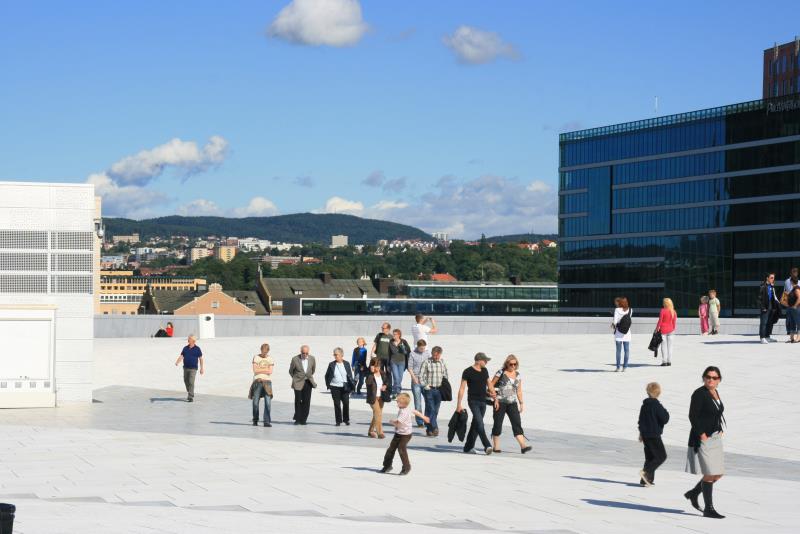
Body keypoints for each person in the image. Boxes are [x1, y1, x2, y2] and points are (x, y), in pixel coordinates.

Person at [684, 366, 726, 519]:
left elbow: (716, 412)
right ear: (704, 378)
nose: (711, 380)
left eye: (714, 378)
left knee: (718, 473)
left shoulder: (715, 392)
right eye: (708, 377)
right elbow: (692, 416)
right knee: (709, 473)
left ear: (719, 380)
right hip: (703, 438)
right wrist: (702, 434)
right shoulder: (699, 394)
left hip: (715, 437)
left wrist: (720, 428)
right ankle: (709, 509)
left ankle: (693, 493)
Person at [489, 355, 531, 454]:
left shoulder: (518, 375)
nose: (513, 366)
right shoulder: (501, 372)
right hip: (500, 402)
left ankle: (523, 446)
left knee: (517, 423)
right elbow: (491, 385)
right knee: (497, 424)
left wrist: (521, 403)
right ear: (506, 363)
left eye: (515, 364)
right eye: (511, 364)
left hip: (512, 403)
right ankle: (496, 446)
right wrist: (494, 399)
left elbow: (519, 390)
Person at [380, 392, 429, 475]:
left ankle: (406, 467)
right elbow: (415, 412)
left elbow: (398, 423)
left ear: (402, 403)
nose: (396, 402)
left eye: (398, 401)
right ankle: (387, 465)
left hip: (405, 435)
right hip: (398, 433)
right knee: (391, 449)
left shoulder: (403, 413)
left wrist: (392, 422)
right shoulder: (406, 409)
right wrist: (424, 417)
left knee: (401, 449)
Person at [457, 352, 495, 455]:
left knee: (476, 424)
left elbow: (489, 384)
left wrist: (494, 395)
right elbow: (462, 388)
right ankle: (487, 445)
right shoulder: (467, 371)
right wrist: (459, 404)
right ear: (479, 360)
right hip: (473, 401)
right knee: (480, 423)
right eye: (485, 360)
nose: (486, 362)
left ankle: (468, 447)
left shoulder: (484, 370)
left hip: (483, 401)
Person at [637, 382, 669, 486]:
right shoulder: (657, 405)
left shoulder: (644, 406)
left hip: (646, 435)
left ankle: (646, 480)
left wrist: (641, 433)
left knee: (650, 457)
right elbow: (665, 419)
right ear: (658, 393)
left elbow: (640, 421)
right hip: (654, 435)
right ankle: (646, 472)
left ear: (647, 392)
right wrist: (665, 411)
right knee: (661, 456)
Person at [418, 346, 449, 437]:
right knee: (431, 408)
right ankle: (434, 427)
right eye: (434, 355)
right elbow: (420, 376)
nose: (436, 357)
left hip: (439, 390)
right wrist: (425, 385)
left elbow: (445, 374)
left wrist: (445, 385)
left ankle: (429, 429)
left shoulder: (442, 362)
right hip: (429, 390)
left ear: (440, 354)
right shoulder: (426, 362)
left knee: (434, 410)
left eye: (437, 356)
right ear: (432, 354)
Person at [324, 347, 355, 426]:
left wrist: (351, 386)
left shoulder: (347, 363)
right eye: (334, 355)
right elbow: (327, 375)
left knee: (346, 403)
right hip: (334, 387)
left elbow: (350, 375)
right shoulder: (331, 364)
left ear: (341, 355)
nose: (335, 356)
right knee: (337, 404)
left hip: (345, 386)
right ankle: (338, 421)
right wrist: (329, 385)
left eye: (336, 354)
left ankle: (346, 419)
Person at [288, 345, 316, 425]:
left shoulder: (312, 359)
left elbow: (313, 370)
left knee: (306, 401)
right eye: (303, 353)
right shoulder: (295, 359)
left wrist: (308, 376)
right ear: (300, 352)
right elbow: (291, 371)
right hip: (298, 382)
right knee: (298, 400)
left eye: (306, 353)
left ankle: (304, 419)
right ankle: (297, 419)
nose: (305, 355)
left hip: (308, 382)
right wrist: (296, 378)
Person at [407, 339, 430, 428]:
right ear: (418, 346)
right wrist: (414, 378)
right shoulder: (412, 354)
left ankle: (427, 419)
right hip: (416, 380)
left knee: (428, 401)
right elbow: (410, 368)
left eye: (424, 348)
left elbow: (429, 366)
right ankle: (420, 422)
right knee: (418, 403)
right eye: (421, 348)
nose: (423, 350)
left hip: (425, 380)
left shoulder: (427, 353)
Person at [365, 357, 391, 438]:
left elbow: (387, 381)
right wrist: (371, 372)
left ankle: (370, 431)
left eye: (379, 366)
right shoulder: (369, 375)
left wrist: (385, 385)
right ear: (372, 366)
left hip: (381, 397)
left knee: (376, 415)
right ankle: (380, 433)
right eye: (376, 366)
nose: (378, 368)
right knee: (378, 413)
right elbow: (368, 383)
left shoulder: (382, 373)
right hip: (373, 398)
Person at [249, 343, 274, 427]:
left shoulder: (270, 359)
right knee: (255, 402)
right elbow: (255, 370)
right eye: (263, 352)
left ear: (268, 351)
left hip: (267, 382)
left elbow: (270, 372)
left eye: (265, 353)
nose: (264, 354)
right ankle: (255, 419)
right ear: (261, 350)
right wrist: (265, 369)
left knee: (268, 402)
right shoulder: (256, 357)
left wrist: (260, 369)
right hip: (257, 381)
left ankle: (266, 421)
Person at [174, 335, 204, 402]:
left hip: (193, 368)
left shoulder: (197, 349)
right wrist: (177, 362)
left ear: (193, 341)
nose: (188, 340)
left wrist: (202, 368)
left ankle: (190, 396)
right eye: (188, 339)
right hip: (185, 368)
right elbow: (182, 356)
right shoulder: (185, 348)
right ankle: (190, 391)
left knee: (191, 382)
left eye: (189, 339)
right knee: (185, 380)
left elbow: (201, 359)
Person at [388, 328, 411, 398]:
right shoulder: (390, 342)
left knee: (400, 378)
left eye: (395, 334)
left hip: (402, 362)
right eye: (393, 334)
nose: (393, 336)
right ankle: (397, 392)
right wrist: (388, 364)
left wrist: (404, 349)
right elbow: (388, 353)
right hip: (393, 361)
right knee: (396, 377)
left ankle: (396, 390)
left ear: (399, 335)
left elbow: (409, 351)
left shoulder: (403, 341)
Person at [758, 273, 780, 344]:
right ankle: (762, 337)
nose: (773, 279)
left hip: (771, 307)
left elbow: (774, 297)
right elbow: (759, 298)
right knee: (763, 323)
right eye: (771, 278)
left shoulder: (771, 286)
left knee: (770, 322)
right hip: (765, 307)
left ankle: (767, 336)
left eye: (773, 278)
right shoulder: (763, 286)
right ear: (767, 278)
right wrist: (762, 307)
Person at [612, 297, 632, 372]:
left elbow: (615, 322)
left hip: (618, 333)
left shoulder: (617, 310)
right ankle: (625, 367)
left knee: (618, 351)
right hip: (627, 333)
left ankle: (618, 367)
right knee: (627, 350)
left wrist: (613, 324)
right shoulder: (630, 310)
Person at [656, 298, 677, 366]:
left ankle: (664, 361)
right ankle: (669, 361)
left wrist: (656, 329)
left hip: (663, 330)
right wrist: (673, 329)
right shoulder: (673, 311)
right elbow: (674, 323)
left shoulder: (663, 311)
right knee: (670, 347)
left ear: (665, 304)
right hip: (671, 331)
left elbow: (660, 321)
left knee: (663, 346)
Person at [784, 268, 799, 343]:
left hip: (796, 306)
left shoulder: (797, 285)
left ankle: (798, 337)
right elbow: (785, 292)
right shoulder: (787, 281)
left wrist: (795, 306)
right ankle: (791, 337)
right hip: (790, 305)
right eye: (794, 273)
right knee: (791, 321)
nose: (795, 274)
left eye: (796, 273)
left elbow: (799, 297)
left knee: (798, 321)